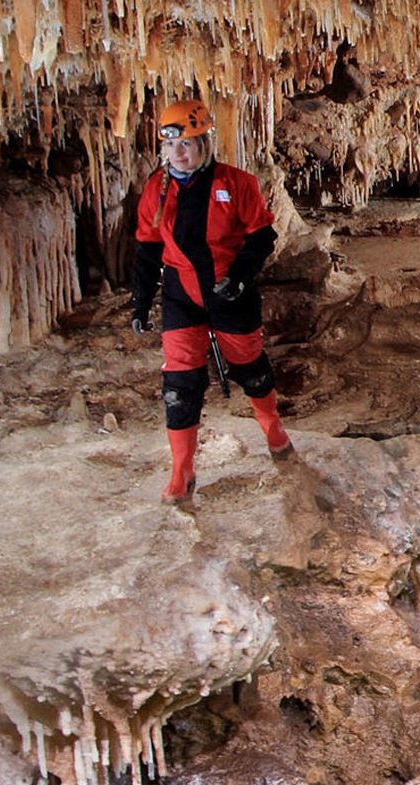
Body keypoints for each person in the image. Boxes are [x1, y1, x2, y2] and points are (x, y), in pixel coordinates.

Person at [130, 98, 292, 504]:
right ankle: (181, 474)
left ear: (204, 143)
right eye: (172, 146)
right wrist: (140, 301)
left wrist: (239, 276)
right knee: (179, 386)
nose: (179, 153)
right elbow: (148, 249)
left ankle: (274, 432)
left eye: (187, 143)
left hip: (229, 292)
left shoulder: (236, 184)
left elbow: (261, 237)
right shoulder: (156, 190)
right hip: (181, 295)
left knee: (250, 370)